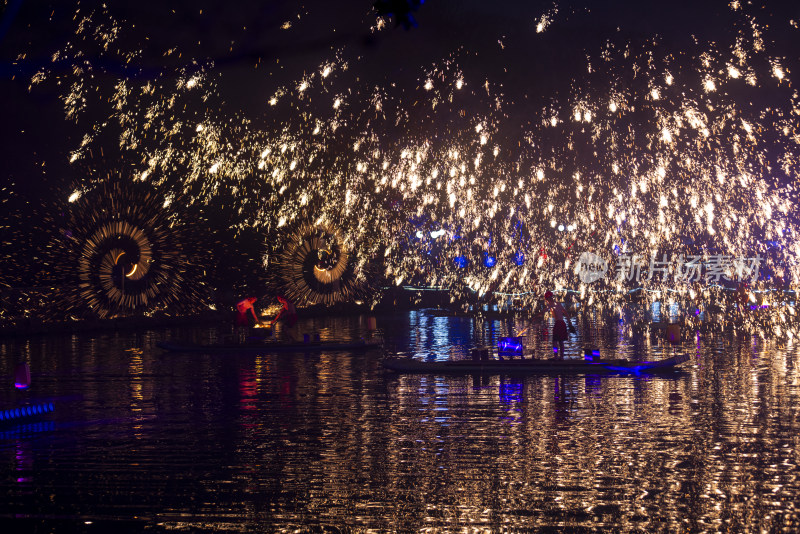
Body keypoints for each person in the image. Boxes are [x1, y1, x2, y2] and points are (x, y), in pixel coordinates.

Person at [544, 290, 572, 359]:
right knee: (561, 341)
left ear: (548, 299)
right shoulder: (558, 304)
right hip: (562, 323)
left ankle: (555, 356)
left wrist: (535, 317)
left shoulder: (550, 304)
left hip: (558, 323)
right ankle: (561, 357)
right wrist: (569, 322)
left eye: (547, 299)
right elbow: (565, 313)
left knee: (555, 341)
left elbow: (543, 312)